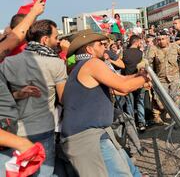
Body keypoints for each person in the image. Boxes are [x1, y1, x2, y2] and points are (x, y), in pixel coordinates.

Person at [60, 29, 149, 176]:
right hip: (88, 137)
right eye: (101, 44)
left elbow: (120, 82)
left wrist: (138, 77)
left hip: (97, 133)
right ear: (89, 49)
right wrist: (144, 78)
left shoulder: (83, 65)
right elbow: (123, 87)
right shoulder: (91, 64)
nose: (104, 47)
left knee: (132, 171)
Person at [1, 19, 67, 176]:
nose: (58, 41)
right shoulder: (56, 63)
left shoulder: (8, 62)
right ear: (45, 39)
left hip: (14, 132)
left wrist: (17, 94)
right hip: (43, 129)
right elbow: (64, 98)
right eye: (56, 37)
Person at [147, 30, 180, 123]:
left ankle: (177, 120)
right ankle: (158, 115)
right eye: (159, 39)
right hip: (161, 79)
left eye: (163, 39)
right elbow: (148, 62)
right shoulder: (153, 49)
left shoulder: (174, 47)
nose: (161, 41)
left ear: (167, 39)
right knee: (160, 101)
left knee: (177, 98)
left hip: (174, 77)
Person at [122, 35, 147, 131]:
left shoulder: (124, 53)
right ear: (136, 42)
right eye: (140, 42)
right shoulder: (141, 53)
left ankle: (131, 125)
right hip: (139, 81)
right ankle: (141, 123)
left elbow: (121, 66)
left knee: (129, 104)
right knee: (140, 102)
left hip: (128, 81)